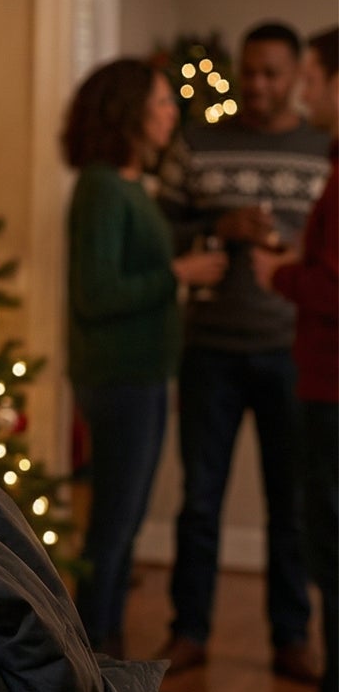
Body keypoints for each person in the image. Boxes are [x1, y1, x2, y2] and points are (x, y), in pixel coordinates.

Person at [157, 21, 331, 684]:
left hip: (293, 351)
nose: (258, 86)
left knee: (291, 502)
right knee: (200, 498)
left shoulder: (323, 147)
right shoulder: (198, 141)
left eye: (273, 74)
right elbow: (159, 227)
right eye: (249, 72)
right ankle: (189, 631)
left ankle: (292, 637)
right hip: (211, 350)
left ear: (294, 77)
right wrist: (215, 228)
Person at [60, 59, 227, 658]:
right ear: (128, 111)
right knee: (114, 527)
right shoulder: (103, 186)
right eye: (160, 102)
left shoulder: (129, 185)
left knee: (122, 527)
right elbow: (98, 293)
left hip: (144, 375)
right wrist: (179, 273)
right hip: (120, 377)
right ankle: (95, 666)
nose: (170, 113)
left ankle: (108, 662)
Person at [248, 26, 338, 692]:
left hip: (330, 389)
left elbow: (334, 287)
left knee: (330, 557)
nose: (307, 93)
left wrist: (280, 272)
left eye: (314, 79)